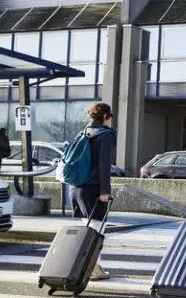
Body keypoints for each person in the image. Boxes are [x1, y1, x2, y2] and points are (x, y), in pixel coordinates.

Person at [71, 103, 117, 281]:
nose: (111, 119)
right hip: (94, 190)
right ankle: (93, 269)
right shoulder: (105, 135)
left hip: (77, 189)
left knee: (88, 230)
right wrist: (105, 191)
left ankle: (88, 267)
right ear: (105, 116)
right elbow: (104, 165)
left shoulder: (82, 133)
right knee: (96, 233)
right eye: (110, 116)